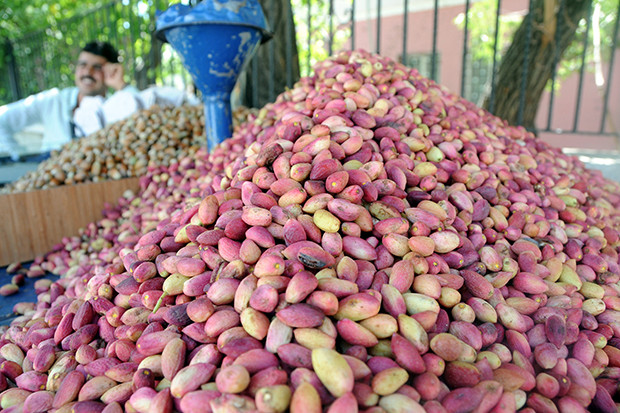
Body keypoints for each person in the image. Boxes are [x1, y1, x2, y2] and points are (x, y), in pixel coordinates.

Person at [0, 41, 141, 161]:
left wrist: (121, 84)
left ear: (110, 71)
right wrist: (16, 157)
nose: (88, 72)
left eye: (97, 67)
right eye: (83, 65)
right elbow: (2, 119)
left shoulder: (115, 108)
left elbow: (143, 117)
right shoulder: (53, 100)